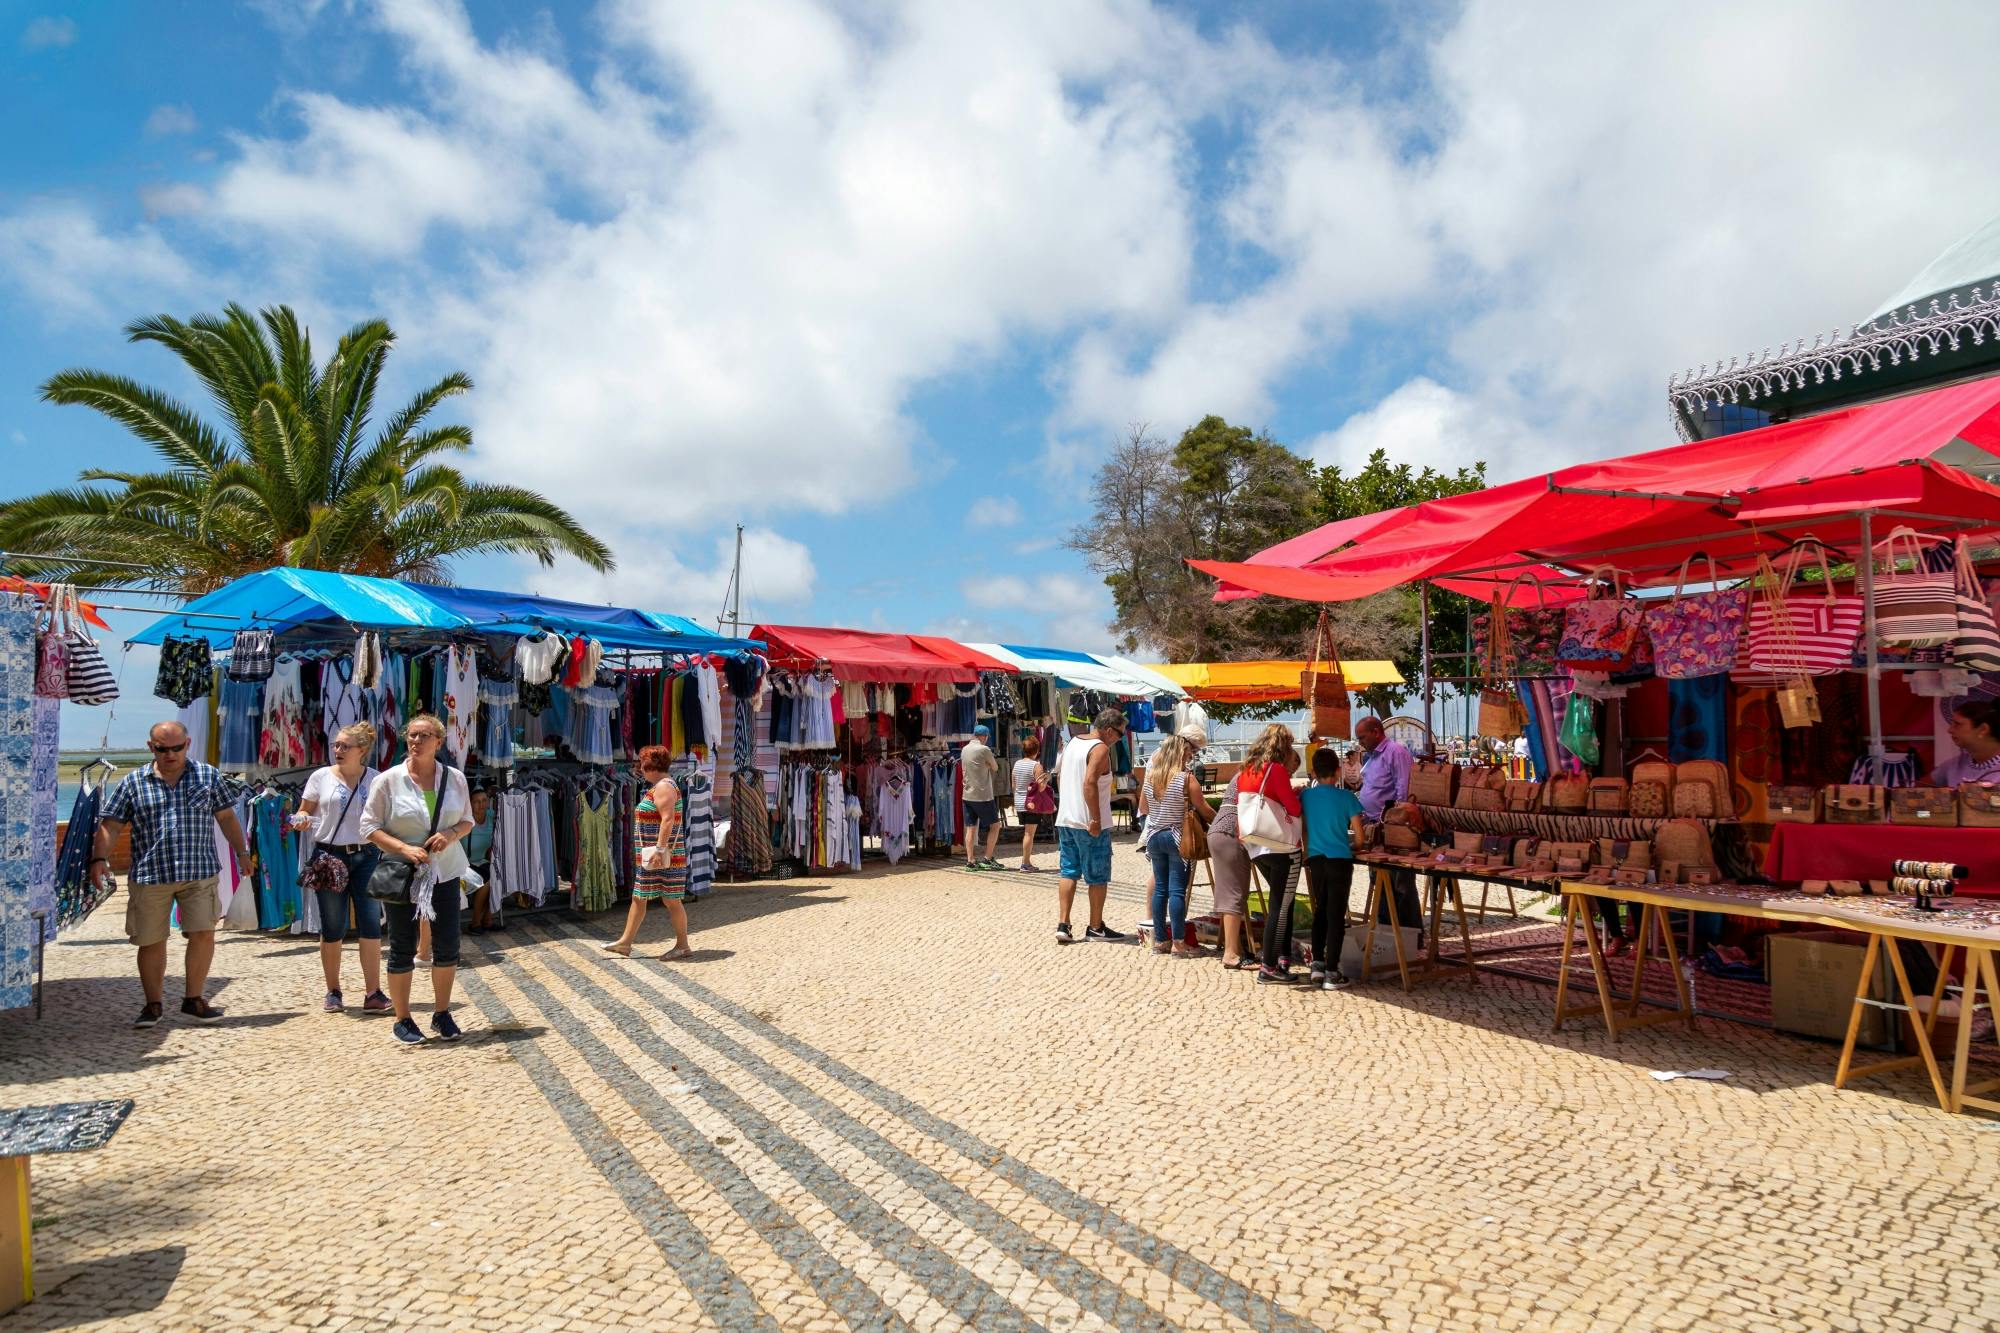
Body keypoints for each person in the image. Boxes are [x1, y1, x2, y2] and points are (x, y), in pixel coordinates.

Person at [93, 719, 256, 1027]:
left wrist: (242, 853)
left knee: (203, 933)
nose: (170, 755)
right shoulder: (133, 782)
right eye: (162, 749)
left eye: (177, 748)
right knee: (151, 940)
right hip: (151, 873)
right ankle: (152, 1005)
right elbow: (111, 824)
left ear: (188, 744)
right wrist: (99, 858)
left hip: (199, 870)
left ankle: (194, 999)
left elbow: (227, 818)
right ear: (151, 747)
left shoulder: (207, 776)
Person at [361, 712, 475, 1046]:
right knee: (401, 945)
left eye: (424, 736)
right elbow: (369, 827)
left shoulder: (454, 779)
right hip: (402, 872)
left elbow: (467, 819)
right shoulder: (388, 780)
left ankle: (442, 1012)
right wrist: (403, 848)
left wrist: (451, 833)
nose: (416, 741)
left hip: (445, 871)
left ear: (439, 742)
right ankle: (403, 1018)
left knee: (447, 944)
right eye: (411, 735)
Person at [291, 721, 388, 1014]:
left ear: (362, 750)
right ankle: (333, 990)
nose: (337, 750)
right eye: (336, 745)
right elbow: (303, 811)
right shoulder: (320, 777)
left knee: (370, 923)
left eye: (345, 746)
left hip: (367, 855)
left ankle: (373, 992)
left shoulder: (376, 780)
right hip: (330, 856)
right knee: (333, 925)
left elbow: (386, 817)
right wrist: (301, 820)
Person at [603, 745, 691, 960]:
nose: (640, 769)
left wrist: (660, 849)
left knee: (671, 899)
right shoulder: (660, 786)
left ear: (651, 766)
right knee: (640, 896)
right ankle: (625, 942)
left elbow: (668, 819)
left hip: (662, 855)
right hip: (654, 855)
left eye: (642, 765)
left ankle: (683, 945)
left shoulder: (664, 787)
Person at [1054, 707, 1130, 944]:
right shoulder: (1100, 749)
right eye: (1119, 734)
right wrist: (1095, 819)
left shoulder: (1072, 743)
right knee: (1097, 876)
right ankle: (1095, 927)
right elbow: (1090, 783)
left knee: (1068, 871)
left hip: (1066, 818)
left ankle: (1063, 925)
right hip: (1089, 823)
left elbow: (1060, 777)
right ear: (1109, 730)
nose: (1120, 739)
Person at [1240, 724, 1306, 984]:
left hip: (1256, 845)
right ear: (1282, 746)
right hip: (1281, 846)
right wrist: (1298, 795)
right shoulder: (1275, 770)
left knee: (1281, 904)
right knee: (1280, 907)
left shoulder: (1248, 769)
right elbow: (1293, 808)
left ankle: (1281, 958)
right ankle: (1269, 966)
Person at [1142, 726, 1214, 958]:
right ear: (1180, 754)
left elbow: (1143, 808)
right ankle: (1179, 943)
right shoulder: (1185, 779)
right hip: (1176, 837)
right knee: (1176, 891)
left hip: (1154, 836)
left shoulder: (1151, 778)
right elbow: (1203, 809)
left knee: (1160, 890)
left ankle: (1161, 940)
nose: (1190, 758)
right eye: (1189, 755)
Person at [1301, 747, 1365, 990]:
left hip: (1316, 859)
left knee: (1320, 911)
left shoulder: (1306, 796)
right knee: (1336, 915)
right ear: (1338, 772)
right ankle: (1332, 970)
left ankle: (1317, 964)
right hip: (1340, 859)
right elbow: (1359, 837)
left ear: (1314, 772)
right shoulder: (1347, 798)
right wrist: (1353, 844)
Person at [1355, 716, 1422, 933]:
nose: (1360, 742)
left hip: (1392, 828)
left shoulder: (1395, 752)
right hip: (1374, 826)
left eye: (1362, 737)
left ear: (1376, 732)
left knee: (1401, 884)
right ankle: (1387, 930)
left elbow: (1404, 788)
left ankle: (1410, 933)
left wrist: (1397, 821)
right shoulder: (1371, 757)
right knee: (1380, 882)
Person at [1206, 783, 1255, 969]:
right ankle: (1231, 952)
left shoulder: (1243, 773)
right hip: (1231, 831)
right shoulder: (1256, 773)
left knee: (1231, 891)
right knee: (1235, 893)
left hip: (1221, 830)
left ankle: (1235, 947)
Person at [960, 724, 1004, 870]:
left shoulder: (964, 749)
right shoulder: (984, 749)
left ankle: (970, 861)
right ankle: (988, 857)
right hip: (983, 795)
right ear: (984, 737)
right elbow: (995, 767)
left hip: (967, 795)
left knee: (970, 828)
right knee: (995, 826)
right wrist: (986, 764)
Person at [1929, 699, 2000, 787]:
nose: (1950, 730)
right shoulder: (1954, 765)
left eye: (1957, 724)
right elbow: (1916, 790)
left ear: (1983, 729)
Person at [462, 787, 498, 934]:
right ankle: (475, 923)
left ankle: (488, 919)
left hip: (481, 861)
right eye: (476, 802)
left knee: (499, 878)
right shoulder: (465, 820)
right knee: (485, 882)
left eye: (484, 800)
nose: (481, 804)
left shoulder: (491, 816)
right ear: (470, 804)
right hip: (463, 864)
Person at [1011, 736, 1050, 872]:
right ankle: (1025, 863)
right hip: (1032, 803)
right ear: (1037, 750)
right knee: (1029, 834)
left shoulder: (1017, 764)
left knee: (1026, 833)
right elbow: (1041, 787)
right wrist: (1046, 778)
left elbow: (1014, 785)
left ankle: (1025, 862)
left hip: (1020, 801)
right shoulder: (1036, 766)